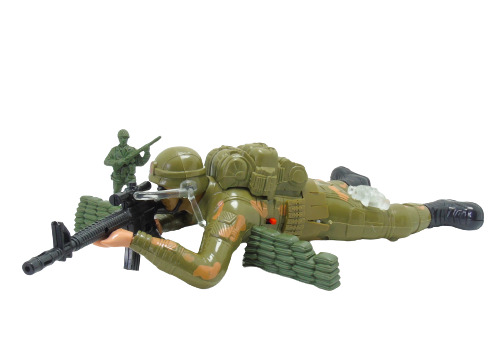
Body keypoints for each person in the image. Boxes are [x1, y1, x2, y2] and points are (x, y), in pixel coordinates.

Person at [95, 146, 484, 289]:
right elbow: (191, 212)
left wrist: (137, 241)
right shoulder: (202, 189)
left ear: (186, 187)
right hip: (304, 194)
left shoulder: (231, 209)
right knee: (340, 189)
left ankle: (435, 211)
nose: (158, 198)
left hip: (316, 214)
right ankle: (348, 182)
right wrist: (159, 223)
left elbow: (207, 272)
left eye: (164, 192)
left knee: (386, 221)